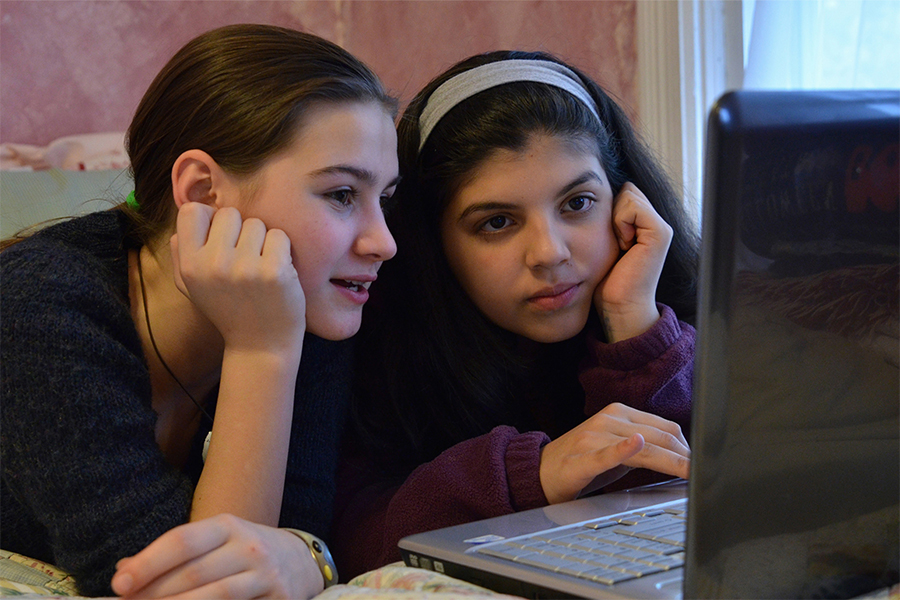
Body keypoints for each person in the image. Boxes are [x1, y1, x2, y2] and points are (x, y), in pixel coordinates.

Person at [0, 24, 398, 599]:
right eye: (341, 195)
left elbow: (293, 533)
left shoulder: (309, 306)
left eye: (385, 198)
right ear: (204, 191)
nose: (383, 242)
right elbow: (185, 589)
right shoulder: (40, 308)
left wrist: (310, 556)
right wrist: (262, 350)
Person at [331, 50, 700, 577]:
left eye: (577, 203)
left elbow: (681, 523)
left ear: (623, 201)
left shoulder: (686, 321)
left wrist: (634, 327)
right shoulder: (374, 343)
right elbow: (353, 541)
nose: (549, 253)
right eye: (498, 222)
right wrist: (533, 476)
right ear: (433, 243)